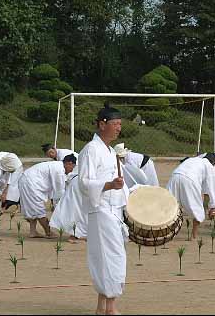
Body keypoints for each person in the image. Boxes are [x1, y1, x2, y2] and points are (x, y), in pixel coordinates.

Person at [78, 102, 129, 315]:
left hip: (112, 211)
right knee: (111, 258)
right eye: (115, 124)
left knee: (109, 257)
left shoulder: (108, 151)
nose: (118, 128)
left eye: (120, 124)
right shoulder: (91, 150)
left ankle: (103, 307)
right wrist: (109, 185)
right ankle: (110, 308)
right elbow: (84, 182)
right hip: (101, 210)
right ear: (102, 124)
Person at [166, 153, 215, 240]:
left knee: (170, 205)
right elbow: (213, 186)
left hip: (175, 176)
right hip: (190, 180)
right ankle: (193, 236)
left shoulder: (192, 159)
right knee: (197, 210)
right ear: (213, 163)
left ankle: (166, 233)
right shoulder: (208, 165)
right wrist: (213, 207)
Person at [18, 160, 68, 238]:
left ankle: (33, 232)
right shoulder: (59, 170)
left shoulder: (56, 165)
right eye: (72, 168)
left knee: (33, 208)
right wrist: (59, 207)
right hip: (31, 184)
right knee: (39, 210)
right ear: (69, 163)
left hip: (26, 181)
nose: (71, 171)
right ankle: (48, 232)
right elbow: (59, 191)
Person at [49, 154, 87, 243]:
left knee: (76, 210)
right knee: (78, 211)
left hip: (78, 184)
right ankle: (75, 235)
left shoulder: (78, 167)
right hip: (79, 185)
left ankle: (77, 234)